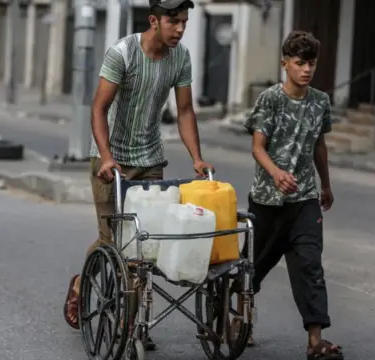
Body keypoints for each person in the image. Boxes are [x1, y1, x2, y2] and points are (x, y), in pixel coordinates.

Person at [63, 0, 214, 351]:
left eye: (184, 22)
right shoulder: (123, 53)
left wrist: (197, 158)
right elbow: (99, 108)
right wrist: (105, 156)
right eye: (173, 22)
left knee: (147, 245)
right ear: (154, 20)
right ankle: (81, 286)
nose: (179, 29)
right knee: (114, 240)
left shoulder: (181, 57)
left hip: (150, 158)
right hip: (110, 161)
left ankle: (136, 323)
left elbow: (186, 110)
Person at [241, 30, 344, 359]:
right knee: (252, 269)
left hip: (304, 201)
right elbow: (257, 147)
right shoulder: (270, 99)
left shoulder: (320, 101)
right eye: (300, 63)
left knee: (310, 265)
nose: (306, 69)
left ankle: (315, 341)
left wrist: (325, 184)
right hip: (267, 202)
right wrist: (276, 173)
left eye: (311, 63)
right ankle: (239, 318)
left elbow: (319, 144)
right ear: (285, 64)